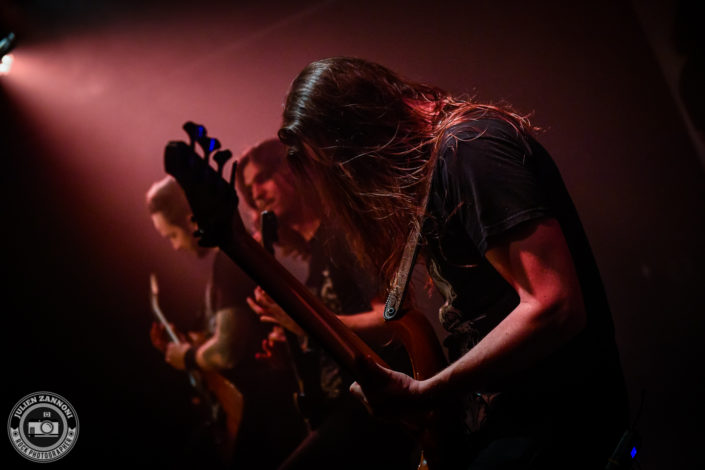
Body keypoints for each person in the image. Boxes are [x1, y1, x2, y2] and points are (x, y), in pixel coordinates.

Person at [276, 57, 629, 469]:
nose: (351, 179)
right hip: (512, 417)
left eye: (344, 163)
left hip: (558, 421)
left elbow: (556, 306)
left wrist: (427, 392)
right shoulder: (442, 163)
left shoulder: (471, 149)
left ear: (359, 130)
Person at [236, 139, 421, 470]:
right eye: (249, 191)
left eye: (262, 178)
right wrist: (293, 345)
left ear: (291, 171)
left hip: (376, 406)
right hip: (342, 407)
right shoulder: (314, 257)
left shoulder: (341, 234)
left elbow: (394, 319)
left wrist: (307, 322)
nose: (257, 194)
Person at [146, 175, 306, 469]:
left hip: (267, 414)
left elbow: (226, 350)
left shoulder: (228, 262)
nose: (175, 246)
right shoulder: (227, 260)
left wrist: (187, 356)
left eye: (172, 235)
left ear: (191, 220)